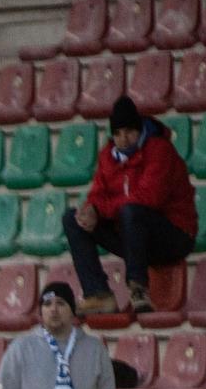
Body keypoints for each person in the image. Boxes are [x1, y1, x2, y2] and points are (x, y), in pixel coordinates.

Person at [64, 96, 195, 315]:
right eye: (117, 133)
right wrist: (90, 210)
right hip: (135, 239)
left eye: (129, 132)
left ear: (140, 128)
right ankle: (98, 294)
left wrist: (100, 209)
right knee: (73, 219)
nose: (123, 139)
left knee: (131, 211)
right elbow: (97, 193)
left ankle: (138, 289)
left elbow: (149, 198)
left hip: (173, 236)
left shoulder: (159, 150)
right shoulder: (108, 156)